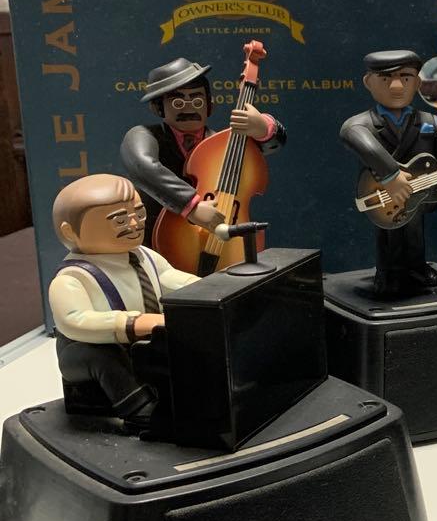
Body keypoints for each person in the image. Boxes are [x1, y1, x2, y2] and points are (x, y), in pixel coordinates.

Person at [48, 174, 199, 424]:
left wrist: (207, 289)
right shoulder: (72, 278)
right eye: (119, 220)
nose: (134, 223)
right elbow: (75, 320)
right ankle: (138, 408)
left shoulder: (144, 256)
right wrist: (131, 323)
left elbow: (170, 278)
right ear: (70, 232)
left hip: (145, 338)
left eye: (139, 214)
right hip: (87, 352)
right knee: (104, 356)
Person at [340, 49, 437, 296]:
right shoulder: (362, 124)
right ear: (368, 82)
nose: (396, 86)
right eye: (385, 78)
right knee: (388, 235)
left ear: (417, 83)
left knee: (415, 231)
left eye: (405, 78)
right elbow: (353, 135)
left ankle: (416, 268)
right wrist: (391, 175)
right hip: (382, 194)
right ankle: (388, 273)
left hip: (419, 195)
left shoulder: (433, 124)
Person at [120, 55, 287, 238]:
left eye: (197, 101)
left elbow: (265, 147)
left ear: (210, 105)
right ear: (158, 108)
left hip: (220, 234)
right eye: (178, 102)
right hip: (158, 236)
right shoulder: (145, 135)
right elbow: (142, 166)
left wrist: (263, 128)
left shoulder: (221, 145)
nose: (188, 109)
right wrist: (190, 205)